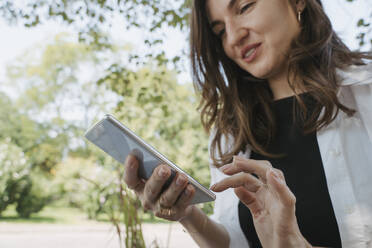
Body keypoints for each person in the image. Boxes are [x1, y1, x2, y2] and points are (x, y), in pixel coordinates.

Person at [123, 0, 372, 247]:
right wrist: (187, 214)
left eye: (244, 8)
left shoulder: (366, 92)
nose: (233, 38)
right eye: (220, 31)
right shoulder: (229, 131)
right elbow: (238, 239)